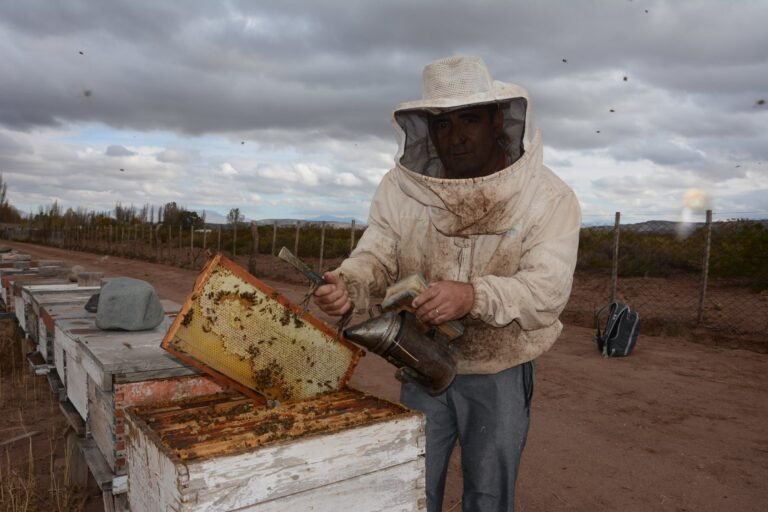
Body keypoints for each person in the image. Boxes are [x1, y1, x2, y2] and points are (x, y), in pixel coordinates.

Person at [313, 55, 581, 512]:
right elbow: (376, 254)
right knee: (413, 485)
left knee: (489, 495)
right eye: (441, 123)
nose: (454, 135)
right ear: (425, 129)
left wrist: (474, 295)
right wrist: (348, 283)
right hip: (418, 359)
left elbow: (547, 293)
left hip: (498, 367)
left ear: (498, 119)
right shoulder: (402, 189)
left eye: (469, 119)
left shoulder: (547, 196)